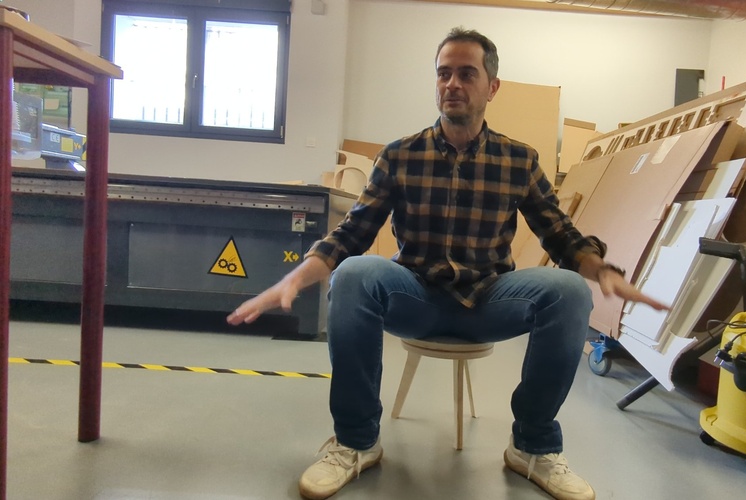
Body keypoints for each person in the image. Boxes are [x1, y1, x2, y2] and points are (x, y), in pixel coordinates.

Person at [228, 27, 668, 500]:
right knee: (356, 273)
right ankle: (356, 442)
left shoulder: (519, 160)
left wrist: (601, 272)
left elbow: (559, 233)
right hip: (415, 294)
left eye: (465, 74)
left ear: (491, 87)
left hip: (490, 300)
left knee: (569, 290)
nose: (452, 84)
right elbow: (352, 233)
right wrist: (294, 279)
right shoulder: (400, 155)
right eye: (443, 74)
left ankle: (533, 447)